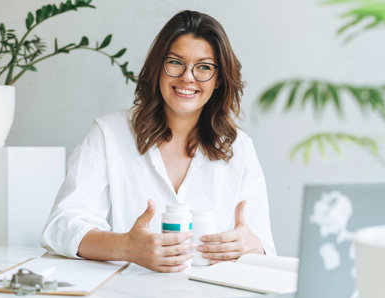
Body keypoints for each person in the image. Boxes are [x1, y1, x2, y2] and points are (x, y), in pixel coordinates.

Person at [41, 10, 276, 273]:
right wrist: (126, 247)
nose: (188, 77)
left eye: (204, 67)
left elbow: (265, 248)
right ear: (157, 67)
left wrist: (251, 246)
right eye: (175, 62)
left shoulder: (239, 148)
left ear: (219, 79)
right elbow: (60, 227)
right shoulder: (109, 134)